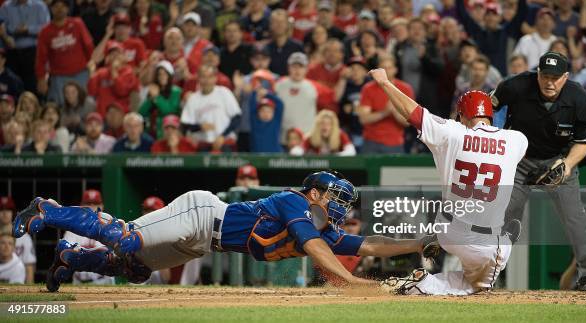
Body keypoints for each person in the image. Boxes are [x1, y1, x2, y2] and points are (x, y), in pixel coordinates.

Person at [15, 170, 431, 292]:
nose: (340, 205)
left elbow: (373, 243)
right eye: (334, 195)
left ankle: (70, 258)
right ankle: (49, 209)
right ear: (315, 192)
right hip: (200, 212)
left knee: (134, 266)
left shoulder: (327, 231)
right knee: (126, 237)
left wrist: (420, 241)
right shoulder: (295, 202)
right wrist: (350, 279)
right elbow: (312, 245)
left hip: (203, 243)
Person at [369, 68, 528, 295]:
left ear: (462, 115)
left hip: (447, 228)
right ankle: (422, 285)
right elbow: (496, 137)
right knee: (481, 286)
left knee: (477, 259)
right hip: (483, 240)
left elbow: (412, 112)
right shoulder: (517, 140)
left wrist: (385, 83)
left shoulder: (452, 132)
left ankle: (426, 273)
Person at [491, 51, 586, 291]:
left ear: (565, 76)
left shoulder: (580, 99)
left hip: (559, 160)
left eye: (555, 77)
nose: (549, 82)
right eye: (545, 76)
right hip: (519, 160)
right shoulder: (516, 85)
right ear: (538, 74)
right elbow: (485, 108)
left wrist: (567, 165)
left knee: (575, 216)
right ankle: (488, 268)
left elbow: (583, 143)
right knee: (507, 214)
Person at [36, 0, 93, 105]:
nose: (60, 9)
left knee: (83, 103)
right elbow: (41, 57)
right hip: (58, 76)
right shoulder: (45, 31)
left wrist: (90, 63)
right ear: (51, 9)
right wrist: (41, 78)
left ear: (67, 9)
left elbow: (88, 45)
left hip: (80, 73)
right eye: (56, 6)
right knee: (60, 106)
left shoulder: (77, 23)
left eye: (63, 6)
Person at [357, 54, 412, 153]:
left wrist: (394, 111)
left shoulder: (405, 89)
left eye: (389, 68)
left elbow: (408, 122)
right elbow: (363, 119)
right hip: (371, 142)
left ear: (395, 69)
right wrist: (385, 112)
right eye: (383, 68)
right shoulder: (368, 89)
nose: (386, 71)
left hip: (395, 144)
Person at [455, 0, 526, 76]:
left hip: (504, 78)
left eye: (494, 14)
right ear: (484, 17)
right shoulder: (477, 32)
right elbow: (462, 14)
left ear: (500, 18)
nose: (491, 17)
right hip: (482, 79)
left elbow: (521, 12)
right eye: (488, 14)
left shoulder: (508, 31)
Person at [181, 66, 241, 152]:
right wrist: (200, 127)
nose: (206, 80)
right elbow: (186, 125)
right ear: (198, 78)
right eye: (203, 77)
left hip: (225, 143)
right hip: (203, 145)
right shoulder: (193, 98)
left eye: (210, 77)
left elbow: (237, 118)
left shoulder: (224, 93)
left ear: (215, 78)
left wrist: (222, 136)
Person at [62, 190, 115, 285]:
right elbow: (66, 254)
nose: (92, 207)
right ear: (81, 206)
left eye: (95, 203)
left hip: (103, 280)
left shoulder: (110, 227)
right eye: (88, 204)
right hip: (79, 280)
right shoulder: (72, 228)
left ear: (102, 206)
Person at [0, 0, 49, 93]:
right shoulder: (6, 7)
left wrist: (28, 29)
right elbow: (2, 28)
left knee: (32, 86)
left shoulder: (39, 6)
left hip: (33, 52)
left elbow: (46, 28)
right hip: (12, 53)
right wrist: (11, 33)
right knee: (13, 87)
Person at [87, 41, 140, 117]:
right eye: (111, 54)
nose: (115, 56)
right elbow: (91, 92)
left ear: (124, 57)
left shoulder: (129, 72)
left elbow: (121, 91)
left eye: (118, 53)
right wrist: (92, 72)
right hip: (103, 116)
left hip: (121, 116)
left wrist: (114, 71)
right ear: (107, 58)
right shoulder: (101, 72)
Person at [276, 52, 320, 139]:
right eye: (294, 67)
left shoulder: (314, 87)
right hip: (284, 137)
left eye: (301, 67)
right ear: (289, 68)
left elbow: (333, 99)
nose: (297, 70)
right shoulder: (279, 85)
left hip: (307, 138)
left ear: (306, 69)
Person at [139, 60, 182, 139]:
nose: (162, 77)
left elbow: (169, 111)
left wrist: (156, 97)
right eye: (159, 74)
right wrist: (151, 97)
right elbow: (141, 112)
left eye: (165, 74)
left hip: (170, 131)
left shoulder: (176, 91)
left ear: (170, 75)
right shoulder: (154, 90)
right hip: (153, 129)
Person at [0, 196, 35, 283]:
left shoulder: (23, 237)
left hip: (17, 280)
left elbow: (29, 267)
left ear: (13, 213)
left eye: (8, 210)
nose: (5, 213)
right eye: (1, 210)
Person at [140, 196, 171, 285]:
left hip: (157, 283)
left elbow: (166, 278)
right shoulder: (135, 231)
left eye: (153, 211)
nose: (148, 214)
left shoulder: (167, 233)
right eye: (146, 210)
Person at [266, 9, 304, 76]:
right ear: (271, 25)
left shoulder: (297, 46)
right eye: (275, 22)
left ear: (287, 24)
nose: (279, 25)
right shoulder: (266, 47)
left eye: (282, 22)